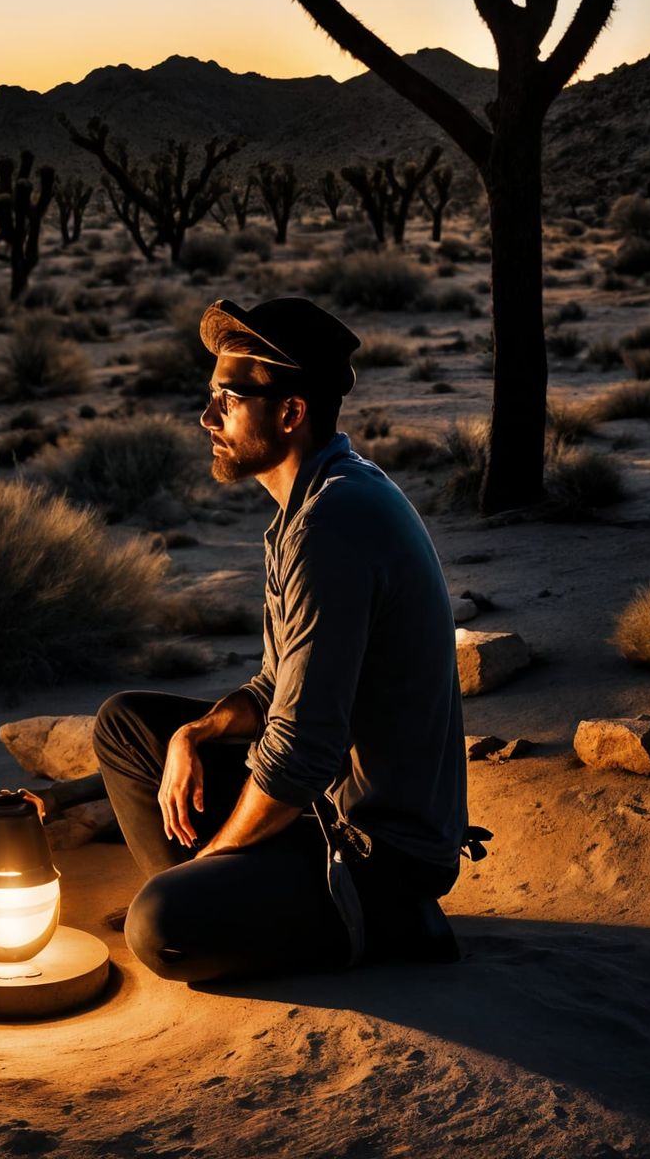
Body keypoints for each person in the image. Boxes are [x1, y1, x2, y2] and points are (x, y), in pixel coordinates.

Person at [94, 295, 480, 983]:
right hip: (324, 807)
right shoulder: (315, 501)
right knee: (129, 727)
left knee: (159, 925)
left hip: (377, 849)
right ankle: (237, 901)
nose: (207, 417)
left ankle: (375, 921)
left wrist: (214, 861)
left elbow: (300, 752)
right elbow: (277, 689)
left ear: (290, 412)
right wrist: (199, 733)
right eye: (210, 396)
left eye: (227, 399)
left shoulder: (331, 525)